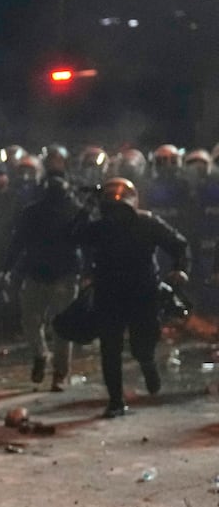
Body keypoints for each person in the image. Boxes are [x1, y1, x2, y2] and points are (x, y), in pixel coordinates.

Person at [77, 178, 190, 417]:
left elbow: (178, 244)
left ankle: (148, 364)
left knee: (143, 343)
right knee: (110, 348)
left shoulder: (147, 222)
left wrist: (180, 268)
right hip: (109, 294)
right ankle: (116, 401)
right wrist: (86, 208)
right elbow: (73, 236)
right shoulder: (100, 228)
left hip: (143, 294)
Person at [0, 174, 86, 390]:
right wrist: (7, 267)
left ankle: (59, 374)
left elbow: (87, 241)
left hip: (62, 274)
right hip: (39, 273)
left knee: (58, 327)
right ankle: (43, 357)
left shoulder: (75, 211)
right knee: (33, 322)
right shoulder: (34, 212)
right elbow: (18, 241)